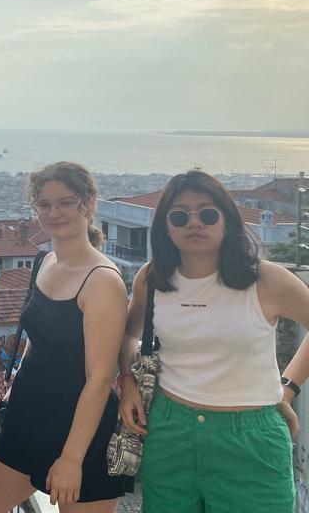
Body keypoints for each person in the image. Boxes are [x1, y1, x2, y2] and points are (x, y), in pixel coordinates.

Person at [117, 170, 309, 513]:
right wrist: (128, 381)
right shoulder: (153, 277)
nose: (194, 223)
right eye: (180, 216)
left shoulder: (267, 279)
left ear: (227, 220)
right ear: (166, 227)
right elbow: (129, 333)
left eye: (207, 214)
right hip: (170, 430)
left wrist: (288, 387)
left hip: (251, 440)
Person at [0, 161, 127, 512]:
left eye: (65, 202)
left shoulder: (102, 281)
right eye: (44, 204)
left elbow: (100, 378)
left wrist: (71, 458)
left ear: (89, 203)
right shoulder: (44, 261)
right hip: (29, 417)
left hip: (80, 430)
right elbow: (38, 339)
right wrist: (15, 384)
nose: (53, 213)